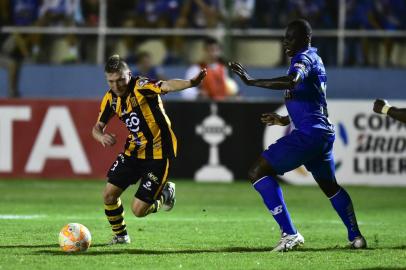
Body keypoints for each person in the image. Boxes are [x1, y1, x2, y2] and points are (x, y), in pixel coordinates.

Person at [229, 19, 366, 251]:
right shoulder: (313, 59)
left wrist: (252, 81)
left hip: (310, 135)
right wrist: (283, 120)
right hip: (321, 134)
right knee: (330, 186)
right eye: (285, 37)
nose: (286, 42)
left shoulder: (304, 59)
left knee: (257, 171)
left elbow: (293, 82)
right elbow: (311, 102)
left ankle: (290, 234)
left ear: (306, 39)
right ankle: (356, 237)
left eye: (291, 38)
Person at [92, 55, 206, 244]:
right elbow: (96, 128)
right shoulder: (110, 99)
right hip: (133, 153)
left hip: (159, 154)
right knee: (108, 195)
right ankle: (121, 236)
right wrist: (101, 136)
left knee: (138, 211)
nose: (117, 85)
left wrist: (191, 83)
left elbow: (167, 85)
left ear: (129, 74)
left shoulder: (141, 86)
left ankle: (165, 193)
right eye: (111, 81)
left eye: (120, 79)